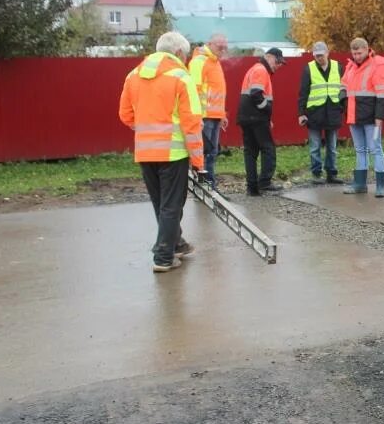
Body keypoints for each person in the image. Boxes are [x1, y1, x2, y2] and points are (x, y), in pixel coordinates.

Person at [118, 31, 204, 272]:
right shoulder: (181, 78)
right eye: (185, 55)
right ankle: (163, 256)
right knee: (172, 205)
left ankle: (176, 244)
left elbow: (125, 115)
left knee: (162, 204)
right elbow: (192, 124)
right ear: (178, 53)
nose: (186, 60)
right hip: (173, 154)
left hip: (145, 153)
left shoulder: (133, 75)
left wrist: (146, 130)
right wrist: (199, 161)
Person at [340, 37, 384, 197]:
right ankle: (360, 184)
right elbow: (343, 86)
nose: (356, 56)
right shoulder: (350, 66)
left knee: (375, 149)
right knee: (360, 150)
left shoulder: (379, 64)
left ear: (367, 49)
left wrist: (379, 117)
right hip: (354, 115)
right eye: (354, 53)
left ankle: (380, 186)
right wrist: (342, 102)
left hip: (371, 117)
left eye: (359, 53)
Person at [237, 47, 286, 196]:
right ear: (270, 57)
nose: (278, 66)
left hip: (246, 117)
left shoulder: (254, 69)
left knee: (250, 152)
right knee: (268, 148)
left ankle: (252, 187)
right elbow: (256, 94)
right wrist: (266, 111)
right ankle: (265, 182)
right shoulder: (261, 70)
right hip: (256, 117)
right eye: (278, 62)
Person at [298, 41, 345, 185]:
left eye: (321, 55)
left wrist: (342, 106)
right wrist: (301, 113)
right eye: (317, 56)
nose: (319, 58)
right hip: (314, 114)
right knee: (315, 147)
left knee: (332, 147)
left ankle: (332, 174)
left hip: (333, 112)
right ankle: (316, 174)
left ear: (327, 53)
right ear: (313, 55)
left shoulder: (338, 67)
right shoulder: (309, 69)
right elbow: (303, 93)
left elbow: (344, 88)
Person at [189, 33, 228, 190]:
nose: (223, 51)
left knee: (211, 152)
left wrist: (222, 114)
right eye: (220, 47)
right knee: (204, 153)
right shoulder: (199, 62)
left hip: (214, 116)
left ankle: (209, 185)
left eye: (224, 48)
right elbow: (194, 91)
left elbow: (217, 92)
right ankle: (204, 185)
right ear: (210, 44)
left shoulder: (214, 62)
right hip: (204, 117)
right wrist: (197, 116)